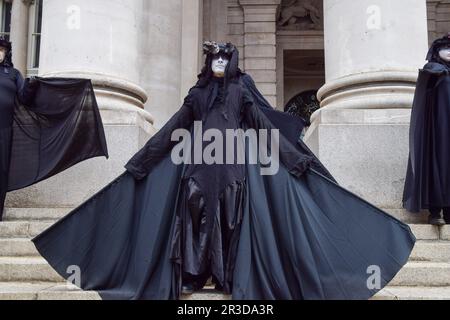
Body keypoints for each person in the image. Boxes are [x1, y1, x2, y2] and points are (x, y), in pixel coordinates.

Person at [32, 42, 415, 300]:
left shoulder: (241, 93)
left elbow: (262, 127)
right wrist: (143, 161)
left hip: (233, 168)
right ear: (207, 63)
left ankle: (228, 276)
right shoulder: (197, 95)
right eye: (212, 60)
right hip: (199, 167)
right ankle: (195, 274)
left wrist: (293, 160)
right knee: (197, 216)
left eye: (222, 60)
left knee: (231, 219)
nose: (218, 64)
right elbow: (174, 129)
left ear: (230, 63)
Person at [0, 36, 108, 221]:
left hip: (4, 130)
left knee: (1, 171)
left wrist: (32, 84)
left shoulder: (13, 74)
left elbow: (25, 97)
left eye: (1, 49)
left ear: (6, 51)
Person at [403, 33, 450, 225]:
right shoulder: (433, 69)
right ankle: (435, 211)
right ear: (437, 51)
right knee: (438, 163)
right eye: (446, 48)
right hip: (438, 129)